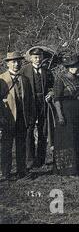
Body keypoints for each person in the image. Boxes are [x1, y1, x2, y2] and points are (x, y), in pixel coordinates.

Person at [0, 52, 34, 181]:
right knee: (6, 147)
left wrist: (31, 117)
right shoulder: (2, 79)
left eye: (18, 61)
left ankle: (22, 170)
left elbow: (30, 100)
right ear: (7, 63)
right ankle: (6, 173)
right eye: (13, 62)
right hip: (7, 118)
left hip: (22, 118)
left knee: (21, 145)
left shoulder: (24, 79)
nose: (16, 64)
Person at [53, 54, 79, 176]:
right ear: (68, 67)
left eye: (77, 65)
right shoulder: (60, 79)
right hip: (65, 113)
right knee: (67, 141)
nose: (76, 68)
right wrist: (60, 116)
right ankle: (66, 170)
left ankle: (78, 168)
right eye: (73, 66)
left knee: (77, 139)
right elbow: (56, 99)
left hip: (77, 113)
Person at [21, 47, 54, 169]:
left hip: (43, 105)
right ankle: (29, 161)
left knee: (43, 131)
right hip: (30, 105)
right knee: (29, 132)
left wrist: (51, 93)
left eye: (39, 57)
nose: (37, 59)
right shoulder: (24, 71)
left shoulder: (47, 71)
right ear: (30, 58)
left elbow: (52, 86)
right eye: (35, 57)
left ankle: (41, 159)